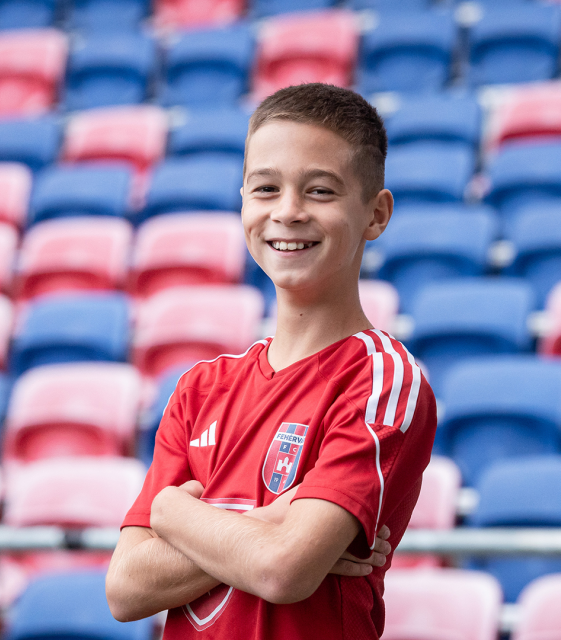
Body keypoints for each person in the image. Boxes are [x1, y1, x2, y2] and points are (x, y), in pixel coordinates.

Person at [106, 83, 437, 639]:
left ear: (375, 214)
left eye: (320, 191)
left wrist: (174, 514)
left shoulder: (382, 380)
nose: (288, 212)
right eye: (266, 188)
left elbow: (282, 571)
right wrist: (268, 527)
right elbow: (126, 588)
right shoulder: (200, 388)